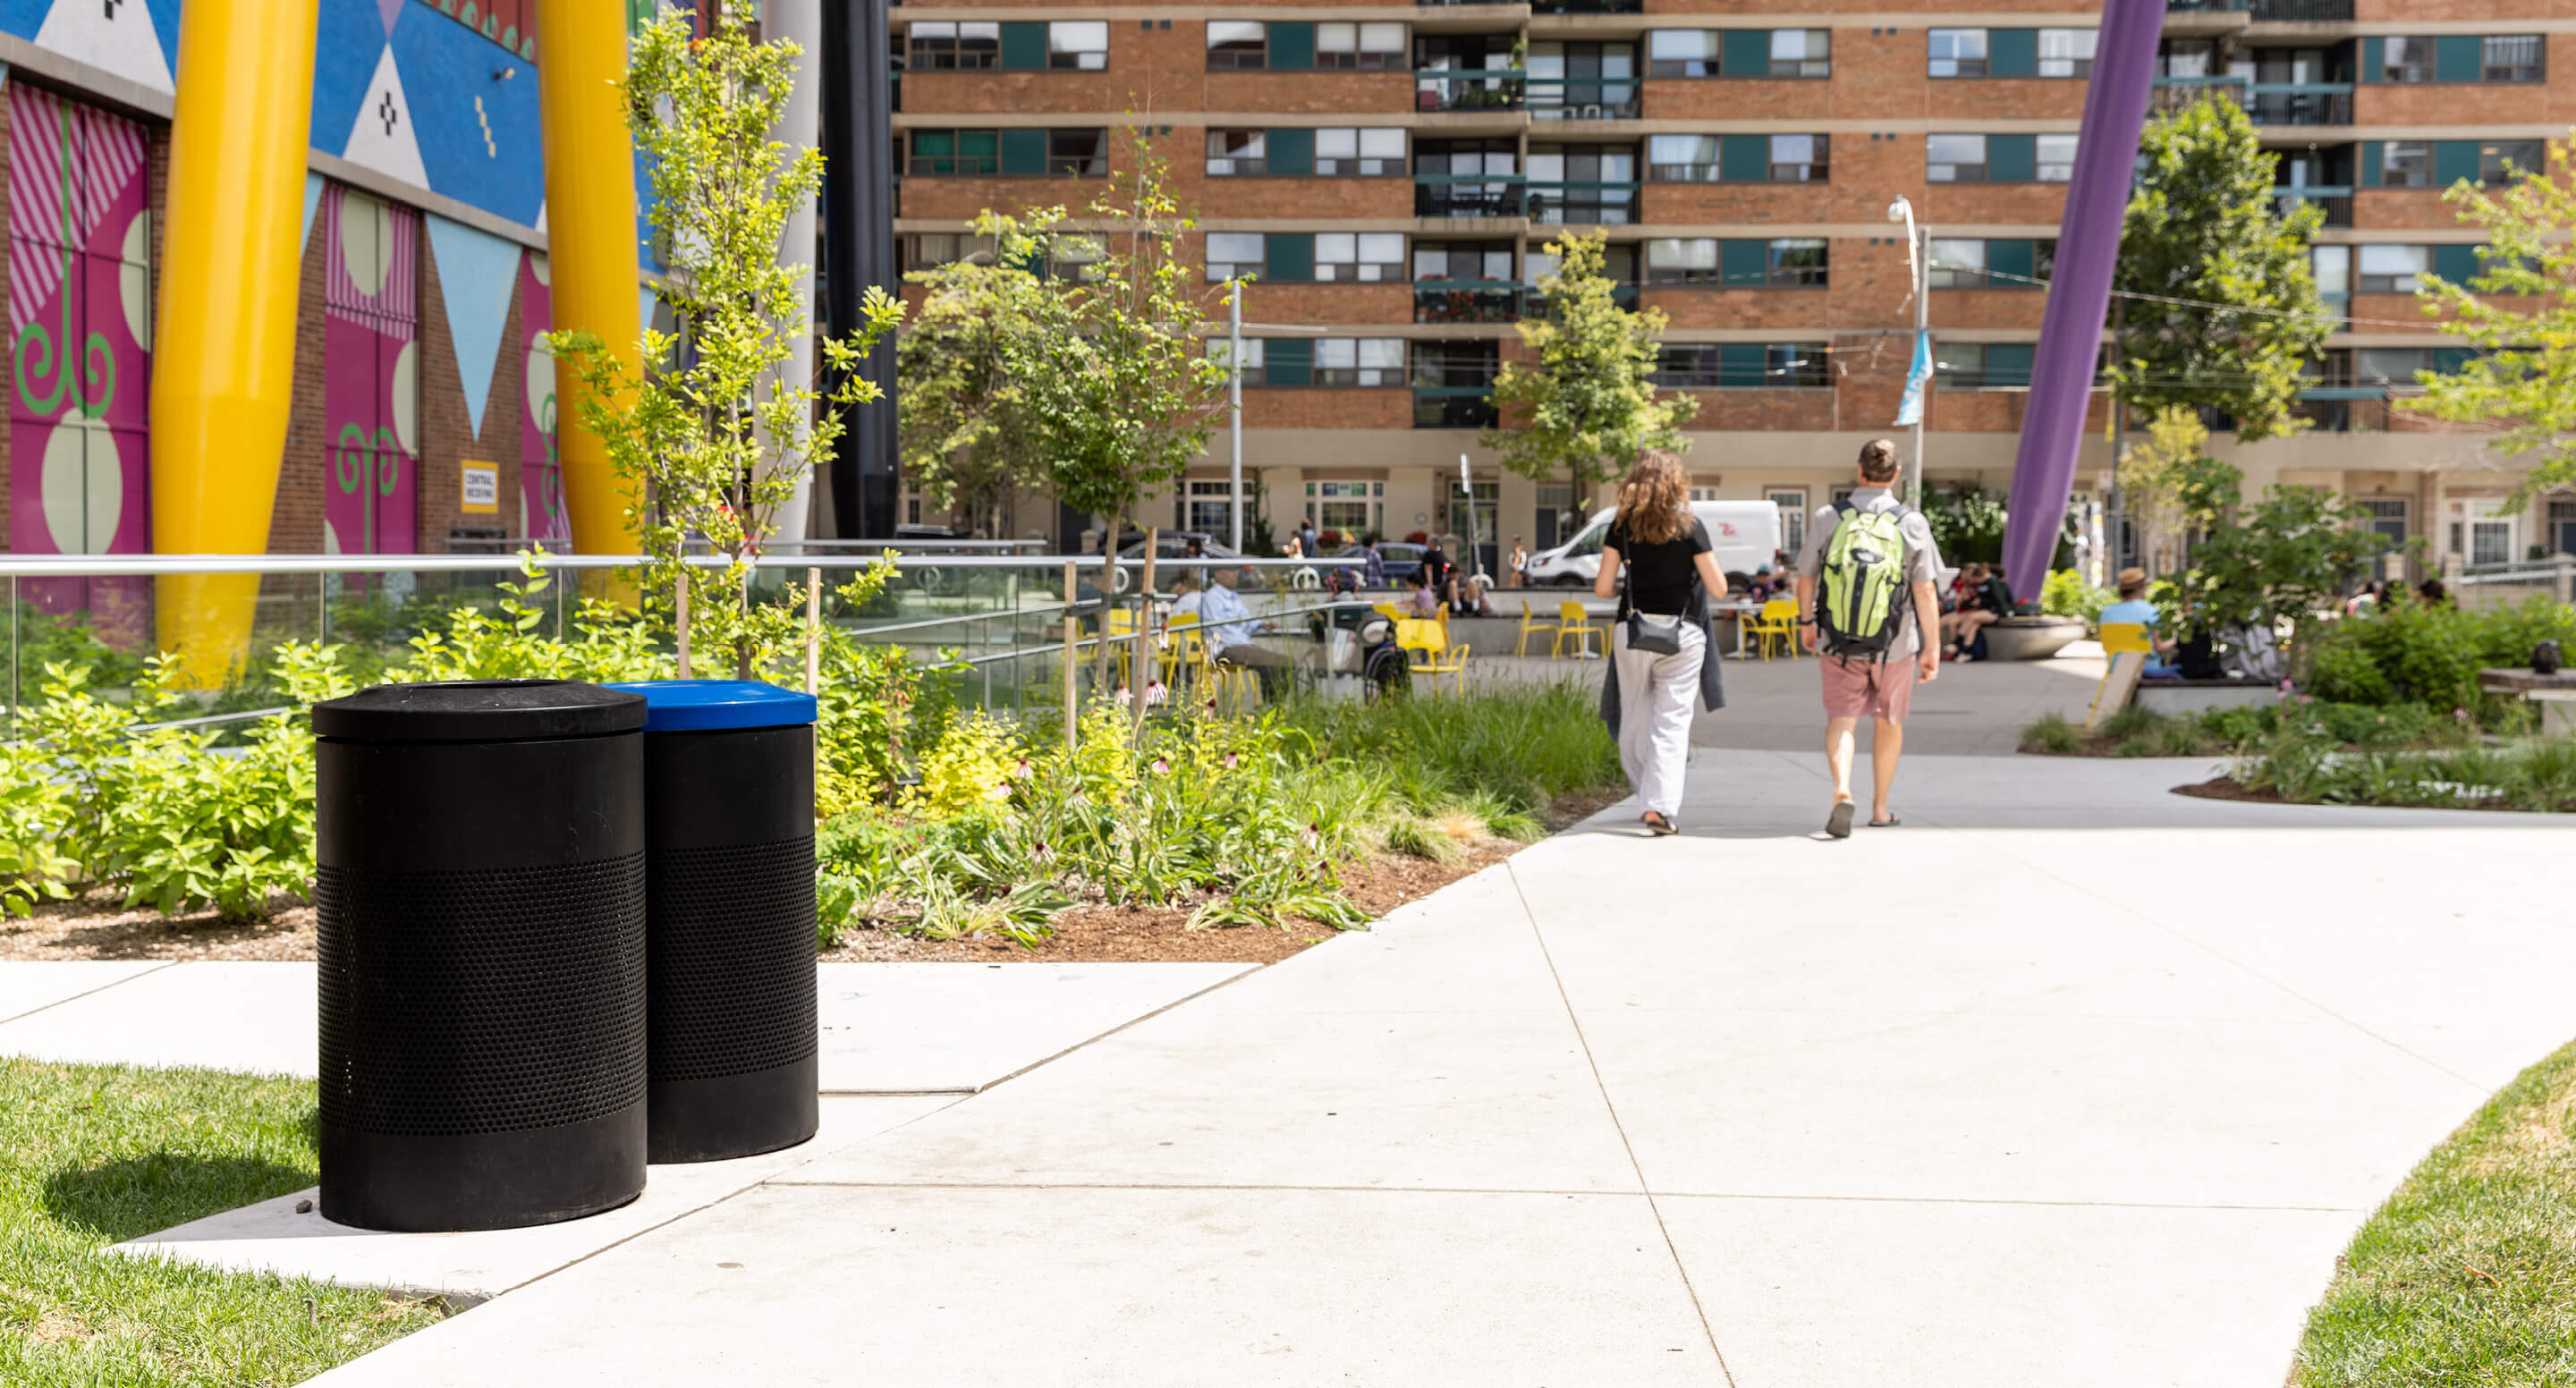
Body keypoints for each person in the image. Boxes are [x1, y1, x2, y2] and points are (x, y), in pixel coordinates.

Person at [1795, 438, 1942, 838]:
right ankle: (1880, 808)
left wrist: (1807, 623)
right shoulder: (1911, 522)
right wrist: (1932, 647)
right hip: (1895, 646)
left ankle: (1842, 790)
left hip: (1837, 641)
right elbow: (1925, 590)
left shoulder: (1829, 516)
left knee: (1842, 720)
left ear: (1859, 471)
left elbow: (1806, 575)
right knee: (1888, 721)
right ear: (1895, 476)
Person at [1597, 450, 1728, 836]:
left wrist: (1631, 582)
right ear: (1676, 482)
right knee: (1671, 723)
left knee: (1635, 719)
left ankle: (1646, 795)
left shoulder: (1620, 526)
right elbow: (1719, 587)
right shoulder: (1691, 526)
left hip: (1633, 632)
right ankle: (1660, 805)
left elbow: (1603, 588)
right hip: (1683, 634)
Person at [1199, 566, 1292, 699]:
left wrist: (1262, 625)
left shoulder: (1234, 597)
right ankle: (1271, 707)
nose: (1235, 574)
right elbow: (1217, 630)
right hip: (1224, 649)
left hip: (1242, 646)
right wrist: (1243, 643)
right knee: (1271, 663)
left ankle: (1276, 707)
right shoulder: (1211, 598)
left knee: (1286, 663)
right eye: (1231, 571)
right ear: (1218, 574)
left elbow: (1247, 620)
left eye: (1236, 571)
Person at [2097, 567, 2182, 678]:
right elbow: (2159, 647)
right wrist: (2175, 640)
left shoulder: (2107, 612)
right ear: (2140, 588)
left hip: (2116, 670)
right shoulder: (2150, 611)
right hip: (2146, 670)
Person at [1940, 562, 2003, 661]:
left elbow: (1998, 600)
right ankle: (1965, 651)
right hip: (1981, 611)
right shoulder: (1981, 584)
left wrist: (1980, 602)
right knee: (1973, 626)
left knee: (1971, 617)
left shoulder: (1992, 583)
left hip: (1992, 613)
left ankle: (1956, 644)